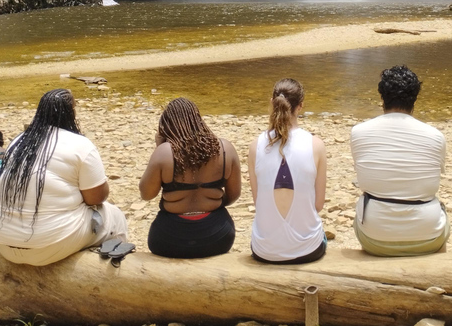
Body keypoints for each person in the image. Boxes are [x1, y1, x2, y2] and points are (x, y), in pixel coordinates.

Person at [0, 89, 127, 266]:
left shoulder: (18, 141)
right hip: (48, 247)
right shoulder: (80, 144)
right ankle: (115, 269)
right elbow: (97, 198)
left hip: (4, 243)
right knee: (114, 215)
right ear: (71, 113)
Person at [350, 65, 449, 256]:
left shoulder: (359, 132)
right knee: (441, 215)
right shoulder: (435, 136)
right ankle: (438, 275)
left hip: (375, 237)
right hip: (427, 236)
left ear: (382, 96)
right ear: (415, 98)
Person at [140, 98, 241, 258]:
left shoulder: (164, 152)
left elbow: (146, 194)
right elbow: (234, 194)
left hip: (170, 239)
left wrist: (159, 148)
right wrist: (209, 205)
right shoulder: (224, 149)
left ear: (167, 126)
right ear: (198, 121)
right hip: (217, 236)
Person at [249, 79, 328, 264]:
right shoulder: (316, 145)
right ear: (300, 107)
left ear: (272, 103)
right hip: (308, 251)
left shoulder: (255, 146)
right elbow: (318, 205)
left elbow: (258, 201)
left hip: (264, 251)